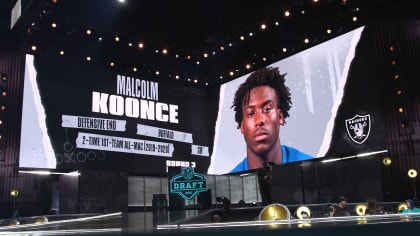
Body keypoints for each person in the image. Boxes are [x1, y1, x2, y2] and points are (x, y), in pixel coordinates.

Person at [230, 66, 314, 173]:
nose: (259, 120)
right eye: (250, 114)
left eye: (267, 109)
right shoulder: (231, 180)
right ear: (242, 126)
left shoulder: (311, 168)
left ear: (280, 116)